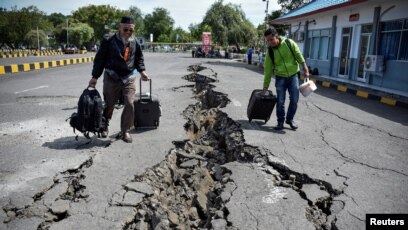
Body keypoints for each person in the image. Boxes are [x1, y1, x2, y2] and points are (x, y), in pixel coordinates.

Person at [89, 16, 149, 143]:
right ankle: (104, 125)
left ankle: (125, 130)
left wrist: (142, 71)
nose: (128, 32)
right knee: (109, 104)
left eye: (130, 30)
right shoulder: (108, 40)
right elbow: (100, 59)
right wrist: (95, 77)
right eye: (125, 29)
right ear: (119, 27)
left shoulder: (135, 41)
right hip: (112, 76)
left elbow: (139, 59)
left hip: (129, 76)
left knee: (129, 102)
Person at [262, 28, 310, 131]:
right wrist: (265, 87)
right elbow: (268, 70)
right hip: (280, 77)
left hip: (293, 76)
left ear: (277, 36)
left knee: (294, 99)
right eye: (268, 41)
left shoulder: (289, 43)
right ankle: (280, 122)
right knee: (280, 101)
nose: (270, 42)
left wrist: (305, 68)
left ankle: (290, 119)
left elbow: (298, 55)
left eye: (271, 39)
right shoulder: (270, 51)